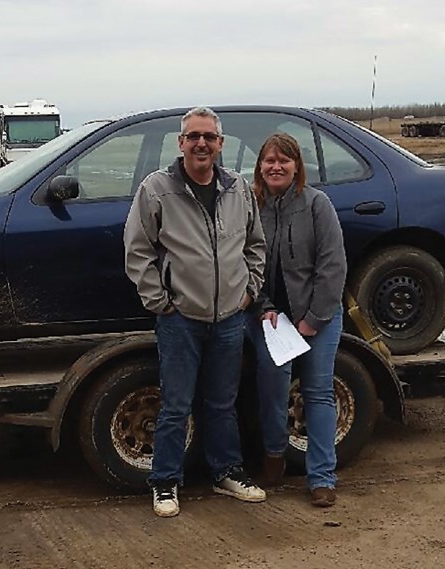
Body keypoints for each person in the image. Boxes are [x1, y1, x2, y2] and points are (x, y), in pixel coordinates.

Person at [124, 107, 267, 517]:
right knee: (176, 404)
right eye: (193, 136)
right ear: (180, 143)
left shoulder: (238, 189)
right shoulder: (157, 189)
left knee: (223, 402)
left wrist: (249, 292)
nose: (201, 143)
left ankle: (227, 472)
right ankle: (165, 482)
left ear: (220, 144)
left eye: (209, 137)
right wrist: (160, 302)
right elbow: (138, 251)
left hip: (229, 317)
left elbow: (255, 245)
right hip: (180, 318)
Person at [244, 133, 347, 508]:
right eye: (269, 160)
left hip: (317, 315)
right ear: (260, 167)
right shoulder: (251, 206)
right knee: (273, 387)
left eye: (284, 160)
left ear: (297, 166)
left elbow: (333, 266)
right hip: (271, 319)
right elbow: (245, 264)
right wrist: (263, 308)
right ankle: (274, 455)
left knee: (318, 393)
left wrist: (314, 319)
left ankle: (322, 478)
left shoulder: (317, 205)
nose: (276, 167)